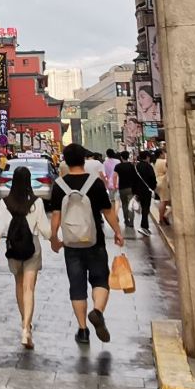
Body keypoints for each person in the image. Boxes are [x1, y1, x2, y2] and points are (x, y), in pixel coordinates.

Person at [46, 143, 122, 346]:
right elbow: (107, 212)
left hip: (71, 244)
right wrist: (118, 232)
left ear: (66, 161)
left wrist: (54, 237)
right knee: (100, 279)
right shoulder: (95, 183)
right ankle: (97, 311)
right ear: (83, 160)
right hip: (94, 241)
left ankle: (82, 330)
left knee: (77, 286)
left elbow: (55, 215)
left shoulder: (60, 185)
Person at [0, 165, 51, 348]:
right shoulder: (36, 202)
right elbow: (45, 231)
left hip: (13, 246)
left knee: (19, 284)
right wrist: (54, 239)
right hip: (32, 246)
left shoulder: (6, 202)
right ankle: (26, 329)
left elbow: (0, 226)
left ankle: (24, 320)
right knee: (29, 289)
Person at [113, 150, 140, 232]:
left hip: (122, 188)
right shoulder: (132, 166)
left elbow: (115, 176)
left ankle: (126, 220)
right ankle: (131, 222)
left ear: (121, 157)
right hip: (131, 188)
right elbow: (136, 177)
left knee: (124, 204)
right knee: (131, 205)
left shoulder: (118, 166)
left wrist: (115, 186)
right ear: (128, 157)